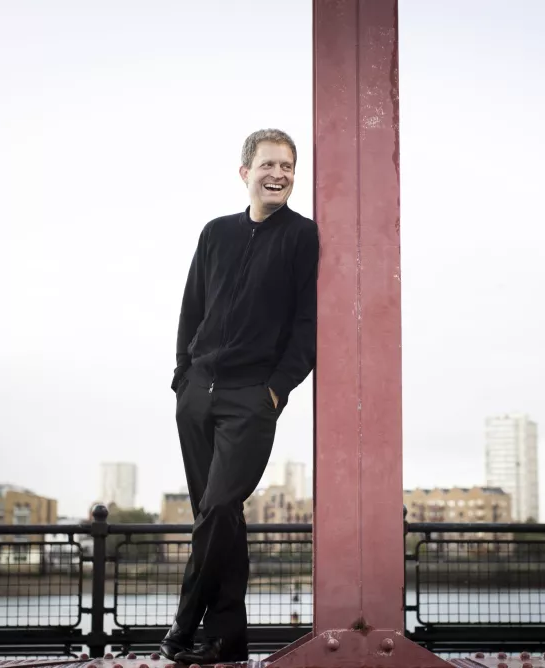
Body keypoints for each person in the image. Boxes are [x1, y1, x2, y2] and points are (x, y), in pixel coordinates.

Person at [161, 128, 319, 664]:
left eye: (289, 167)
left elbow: (306, 324)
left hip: (252, 397)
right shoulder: (216, 233)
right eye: (270, 165)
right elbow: (191, 309)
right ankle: (227, 640)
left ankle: (184, 625)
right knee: (221, 519)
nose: (280, 174)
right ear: (245, 172)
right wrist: (183, 377)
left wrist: (276, 389)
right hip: (198, 395)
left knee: (218, 507)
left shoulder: (302, 236)